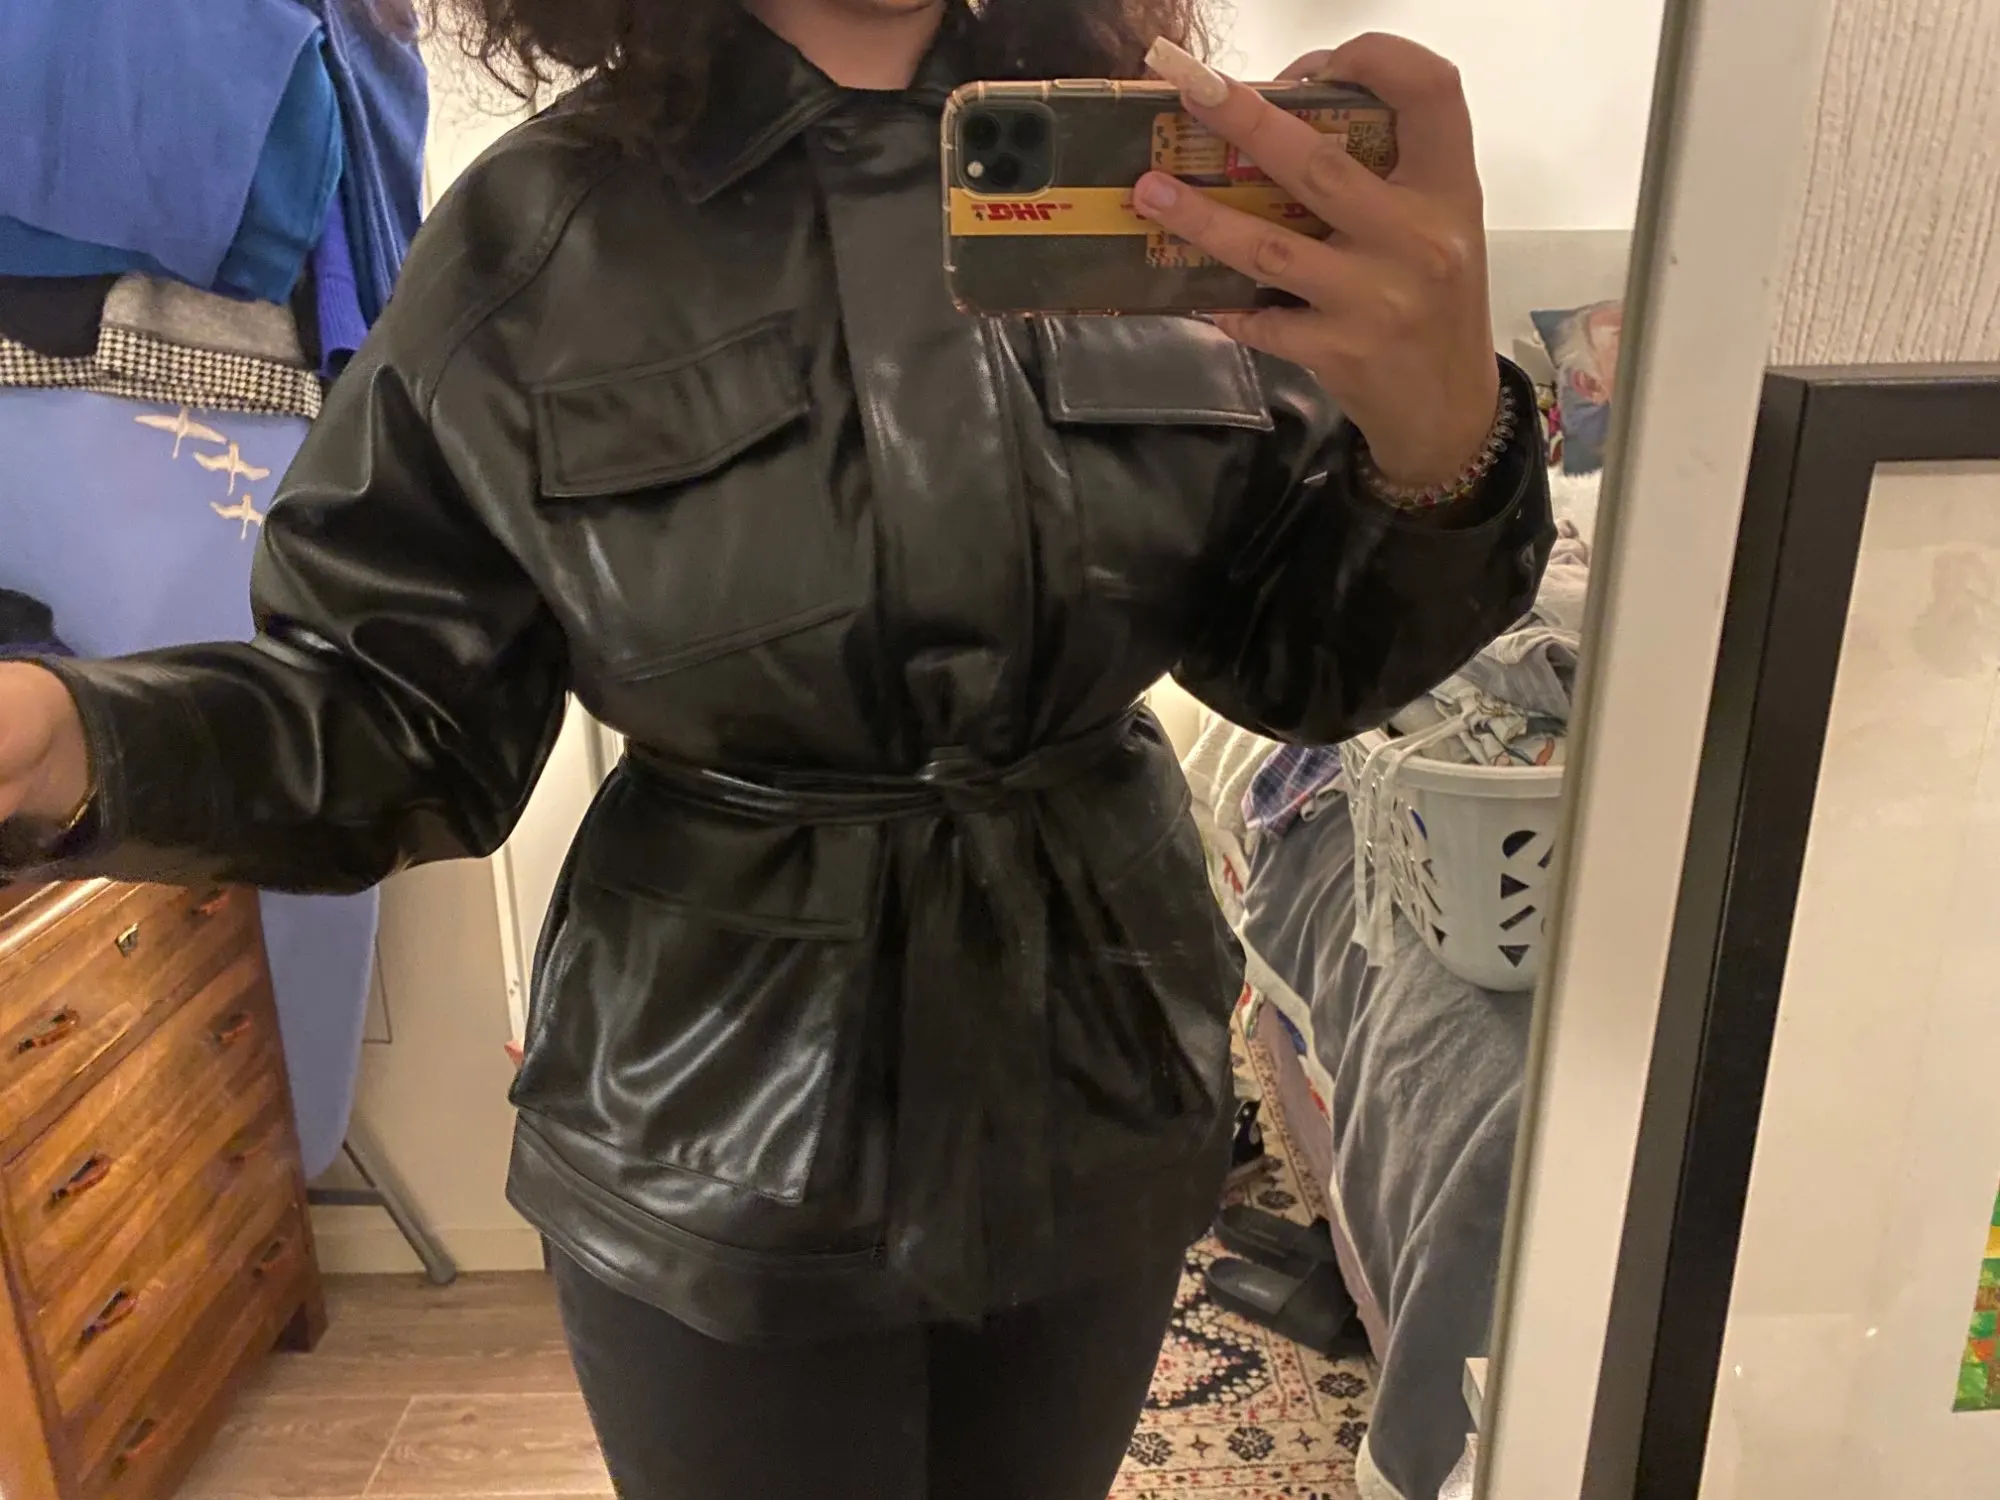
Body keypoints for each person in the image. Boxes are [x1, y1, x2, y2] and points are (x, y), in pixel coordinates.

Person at [0, 1, 1551, 1494]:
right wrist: (79, 738)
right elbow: (395, 718)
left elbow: (1297, 660)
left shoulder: (1148, 183)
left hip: (1100, 1095)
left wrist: (1443, 445)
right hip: (714, 1137)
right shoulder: (531, 237)